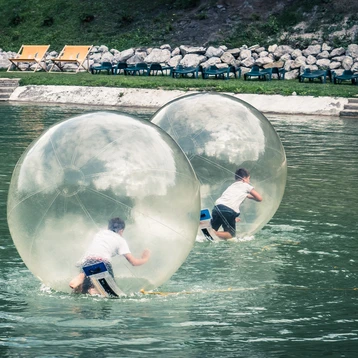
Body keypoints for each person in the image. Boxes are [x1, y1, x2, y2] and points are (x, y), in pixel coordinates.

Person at [69, 217, 150, 295]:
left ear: (108, 227)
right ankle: (93, 290)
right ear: (121, 231)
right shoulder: (121, 240)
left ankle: (83, 277)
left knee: (82, 292)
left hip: (86, 262)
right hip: (102, 263)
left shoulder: (100, 233)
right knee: (111, 293)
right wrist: (145, 258)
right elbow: (134, 262)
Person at [211, 168, 262, 240]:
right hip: (228, 210)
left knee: (211, 231)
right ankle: (214, 233)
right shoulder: (245, 185)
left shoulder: (232, 186)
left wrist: (233, 219)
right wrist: (251, 197)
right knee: (231, 235)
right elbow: (259, 198)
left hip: (217, 208)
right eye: (249, 178)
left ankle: (209, 230)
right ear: (244, 178)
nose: (249, 181)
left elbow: (227, 202)